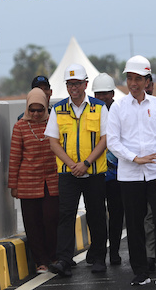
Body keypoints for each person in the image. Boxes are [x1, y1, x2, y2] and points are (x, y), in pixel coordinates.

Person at [106, 55, 156, 286]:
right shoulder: (118, 107)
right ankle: (140, 273)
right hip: (129, 175)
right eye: (129, 78)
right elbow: (112, 141)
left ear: (148, 81)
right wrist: (134, 158)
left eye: (138, 78)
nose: (133, 83)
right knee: (135, 223)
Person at [45, 64, 109, 277]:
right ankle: (64, 259)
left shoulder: (99, 107)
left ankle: (99, 258)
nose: (74, 88)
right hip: (68, 174)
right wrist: (73, 165)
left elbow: (105, 139)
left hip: (94, 172)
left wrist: (87, 163)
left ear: (85, 84)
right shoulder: (58, 109)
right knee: (66, 215)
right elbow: (53, 142)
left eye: (77, 83)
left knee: (97, 214)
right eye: (70, 84)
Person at [8, 88, 59, 274]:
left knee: (51, 218)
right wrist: (13, 185)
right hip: (28, 182)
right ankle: (41, 261)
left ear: (46, 107)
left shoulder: (54, 123)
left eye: (40, 110)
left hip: (52, 181)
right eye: (32, 110)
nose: (36, 114)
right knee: (32, 223)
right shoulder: (20, 127)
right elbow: (15, 157)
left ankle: (54, 256)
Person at [92, 72, 124, 266]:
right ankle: (97, 252)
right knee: (96, 215)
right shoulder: (90, 113)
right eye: (99, 93)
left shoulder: (120, 112)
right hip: (95, 174)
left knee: (117, 214)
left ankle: (114, 251)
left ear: (113, 93)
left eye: (106, 93)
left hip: (116, 175)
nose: (103, 97)